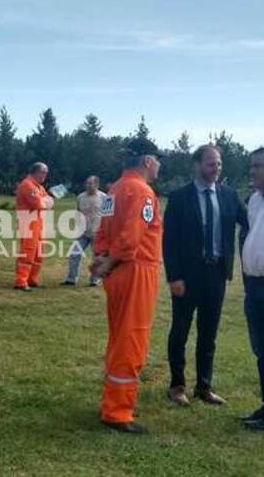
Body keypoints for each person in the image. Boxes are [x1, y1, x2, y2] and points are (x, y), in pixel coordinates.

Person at [163, 145, 247, 407]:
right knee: (180, 330)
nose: (216, 168)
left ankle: (204, 386)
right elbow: (169, 242)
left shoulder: (230, 196)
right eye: (211, 164)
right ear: (196, 165)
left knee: (208, 333)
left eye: (219, 164)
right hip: (186, 277)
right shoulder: (179, 198)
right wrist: (174, 277)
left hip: (216, 275)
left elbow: (252, 224)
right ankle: (177, 385)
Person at [90, 138, 163, 434]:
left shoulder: (114, 190)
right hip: (134, 270)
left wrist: (102, 259)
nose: (159, 165)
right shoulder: (143, 192)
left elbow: (103, 229)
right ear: (147, 161)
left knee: (119, 335)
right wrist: (112, 259)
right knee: (132, 338)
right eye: (158, 160)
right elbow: (132, 238)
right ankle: (118, 411)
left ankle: (112, 401)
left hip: (117, 272)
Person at [240, 147, 264, 430]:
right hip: (254, 284)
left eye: (258, 166)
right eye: (252, 166)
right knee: (261, 350)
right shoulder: (254, 201)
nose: (252, 172)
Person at [14, 162, 55, 292]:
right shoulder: (27, 185)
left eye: (46, 173)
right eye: (43, 173)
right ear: (36, 172)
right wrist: (45, 202)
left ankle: (32, 279)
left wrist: (46, 202)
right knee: (28, 252)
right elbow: (40, 204)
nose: (45, 176)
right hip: (28, 223)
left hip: (38, 222)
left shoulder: (39, 187)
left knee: (38, 253)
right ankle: (21, 281)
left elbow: (49, 202)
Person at [62, 176, 106, 287]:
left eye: (90, 183)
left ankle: (94, 280)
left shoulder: (104, 197)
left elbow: (109, 216)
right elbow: (78, 212)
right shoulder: (81, 197)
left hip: (97, 233)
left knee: (97, 257)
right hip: (82, 233)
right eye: (87, 183)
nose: (87, 185)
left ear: (96, 185)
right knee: (74, 254)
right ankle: (71, 279)